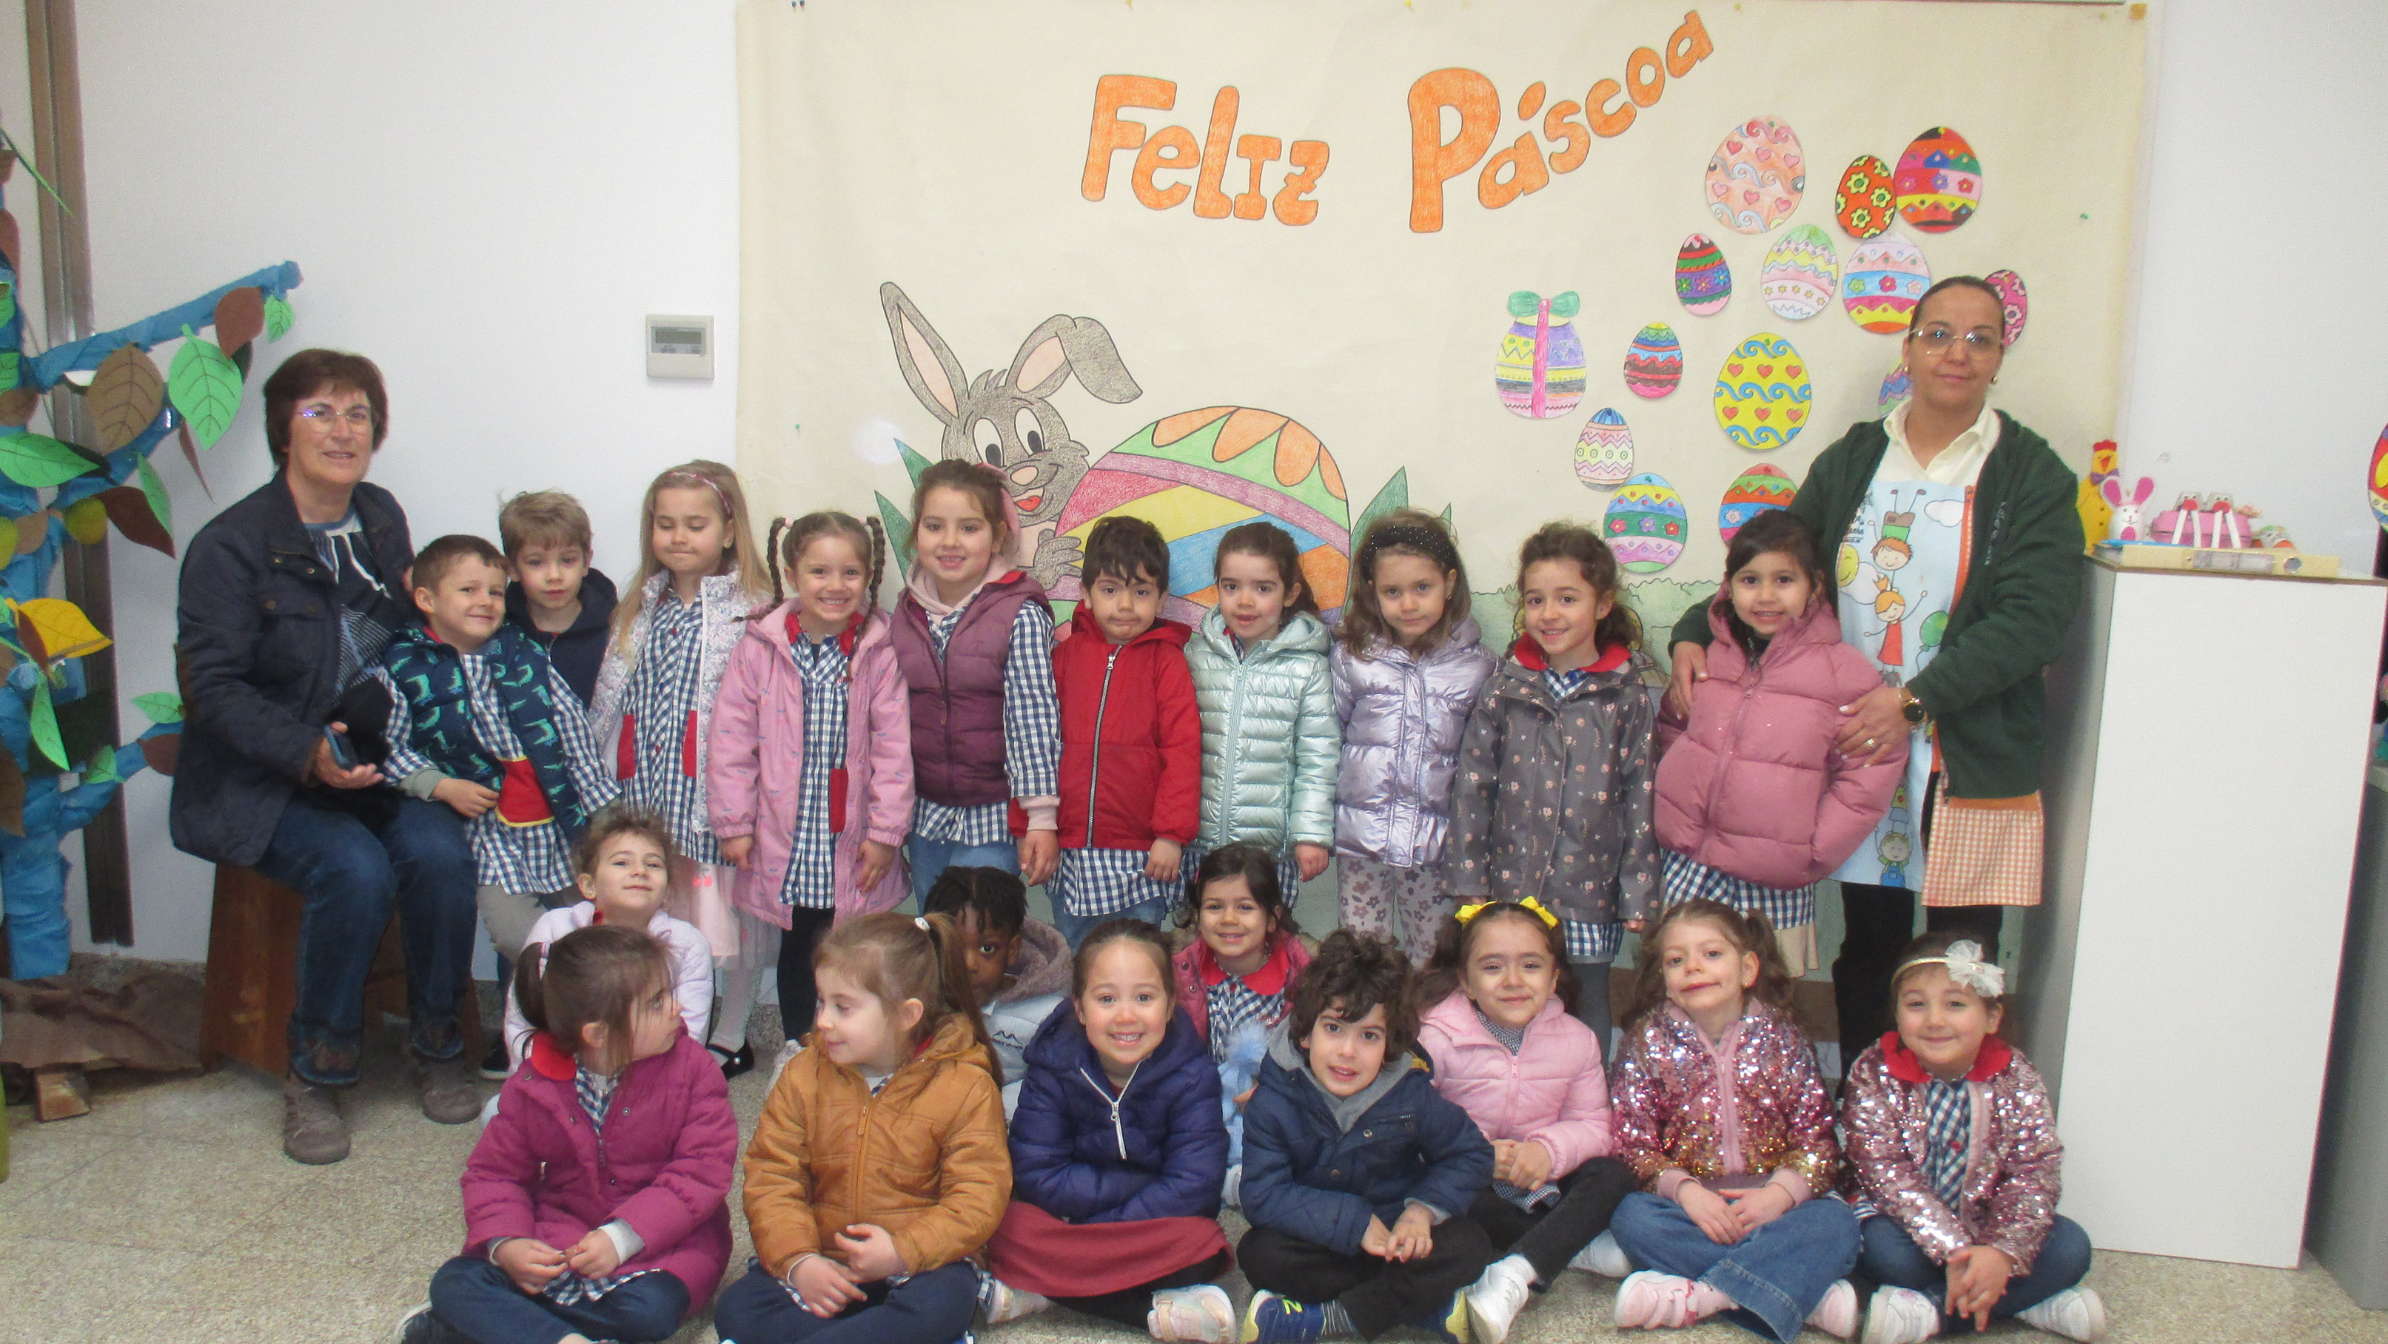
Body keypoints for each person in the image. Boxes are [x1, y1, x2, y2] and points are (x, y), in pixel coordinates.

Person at [1667, 276, 2085, 1071]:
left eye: (1980, 338)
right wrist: (1695, 629)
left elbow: (2034, 619)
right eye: (1939, 334)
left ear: (2001, 357)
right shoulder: (1860, 455)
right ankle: (1867, 1105)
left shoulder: (2031, 474)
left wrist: (1917, 701)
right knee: (1871, 941)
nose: (1957, 352)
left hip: (1968, 751)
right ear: (1909, 347)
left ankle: (1957, 1109)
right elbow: (1778, 562)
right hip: (1857, 742)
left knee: (1964, 952)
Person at [173, 348, 479, 1164]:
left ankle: (439, 1046)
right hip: (266, 779)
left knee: (441, 855)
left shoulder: (379, 515)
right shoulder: (230, 546)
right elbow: (212, 689)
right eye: (320, 413)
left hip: (375, 765)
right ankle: (317, 1073)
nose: (343, 431)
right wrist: (308, 752)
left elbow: (409, 635)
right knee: (355, 869)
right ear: (284, 430)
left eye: (358, 415)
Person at [397, 924, 738, 1344]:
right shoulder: (534, 1083)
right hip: (559, 1239)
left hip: (664, 1248)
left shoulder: (694, 1071)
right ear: (597, 1034)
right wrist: (508, 1242)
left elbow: (700, 1174)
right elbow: (495, 1174)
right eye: (656, 1002)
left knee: (650, 1313)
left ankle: (506, 1326)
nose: (677, 1008)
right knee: (453, 1280)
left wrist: (621, 1238)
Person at [373, 534, 621, 1083]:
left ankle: (587, 1040)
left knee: (595, 925)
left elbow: (573, 736)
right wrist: (440, 786)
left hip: (558, 826)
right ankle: (549, 1032)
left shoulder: (522, 653)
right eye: (468, 590)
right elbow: (386, 744)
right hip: (488, 835)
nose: (486, 601)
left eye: (493, 590)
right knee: (521, 938)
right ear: (426, 599)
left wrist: (605, 817)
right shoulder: (403, 665)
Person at [713, 911, 1010, 1344]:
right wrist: (799, 1262)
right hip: (823, 1261)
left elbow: (978, 1197)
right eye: (821, 1001)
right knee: (737, 1309)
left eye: (843, 1007)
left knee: (943, 1302)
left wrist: (902, 1250)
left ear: (907, 1015)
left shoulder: (965, 1085)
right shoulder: (802, 1075)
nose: (823, 1021)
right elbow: (772, 1177)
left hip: (918, 1264)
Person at [1653, 510, 1905, 978]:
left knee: (1766, 997)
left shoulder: (1845, 672)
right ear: (1728, 586)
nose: (1766, 596)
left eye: (1784, 580)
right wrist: (1675, 800)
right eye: (1750, 580)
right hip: (1689, 864)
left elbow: (1868, 770)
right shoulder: (1709, 657)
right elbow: (1673, 722)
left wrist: (1815, 848)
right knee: (1685, 987)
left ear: (1815, 586)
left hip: (1774, 877)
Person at [709, 511, 912, 1079]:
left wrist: (885, 833)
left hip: (851, 836)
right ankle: (802, 1049)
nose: (835, 585)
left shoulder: (878, 650)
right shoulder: (759, 648)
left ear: (869, 576)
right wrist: (734, 824)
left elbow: (894, 749)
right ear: (792, 573)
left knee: (851, 949)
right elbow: (730, 741)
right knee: (799, 947)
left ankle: (857, 1050)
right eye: (819, 571)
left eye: (850, 572)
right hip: (785, 835)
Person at [589, 460, 773, 1075]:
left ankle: (732, 1031)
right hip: (648, 795)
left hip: (716, 802)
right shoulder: (639, 606)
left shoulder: (754, 612)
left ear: (728, 530)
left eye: (696, 524)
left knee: (732, 922)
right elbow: (610, 699)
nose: (678, 537)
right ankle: (656, 1025)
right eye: (665, 524)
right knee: (655, 919)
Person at [1445, 523, 1659, 1049]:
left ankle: (1587, 1092)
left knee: (1587, 1001)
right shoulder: (1506, 686)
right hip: (1511, 885)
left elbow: (1642, 797)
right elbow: (1473, 786)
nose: (1549, 614)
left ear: (1602, 604)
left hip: (1589, 888)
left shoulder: (1625, 694)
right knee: (1509, 999)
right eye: (1536, 599)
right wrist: (1470, 875)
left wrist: (1638, 893)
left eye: (1567, 598)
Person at [1606, 900, 1859, 1340]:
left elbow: (1818, 1140)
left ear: (1747, 969)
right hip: (1691, 1210)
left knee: (1837, 1225)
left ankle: (1707, 1296)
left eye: (1711, 954)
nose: (1693, 968)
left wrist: (1779, 1195)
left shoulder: (1783, 1038)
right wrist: (1686, 1192)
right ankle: (1798, 1292)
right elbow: (1633, 1145)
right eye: (1676, 960)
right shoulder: (1646, 1042)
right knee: (1631, 1218)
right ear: (1664, 979)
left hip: (1774, 1208)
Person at [1841, 934, 2105, 1344]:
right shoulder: (1873, 1071)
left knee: (2071, 1247)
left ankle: (1931, 1313)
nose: (1934, 1020)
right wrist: (1954, 1250)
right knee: (1881, 1253)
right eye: (1916, 1005)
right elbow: (1884, 1173)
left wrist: (2000, 1252)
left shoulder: (2016, 1075)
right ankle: (2026, 1301)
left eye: (1955, 1005)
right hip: (1903, 1223)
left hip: (1988, 1225)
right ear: (1896, 1014)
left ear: (1991, 1017)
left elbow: (2034, 1172)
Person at [980, 920, 1235, 1342]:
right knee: (1003, 1225)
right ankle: (1146, 1312)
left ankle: (1044, 1289)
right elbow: (1037, 1172)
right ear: (1080, 1008)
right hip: (1074, 1219)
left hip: (1140, 1226)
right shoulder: (1053, 1062)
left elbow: (1195, 1184)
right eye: (1106, 999)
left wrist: (1106, 1225)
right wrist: (1117, 1203)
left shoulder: (1192, 1074)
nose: (1126, 1015)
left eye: (1144, 997)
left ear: (1170, 1005)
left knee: (1203, 1244)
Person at [1238, 929, 1494, 1344]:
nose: (1348, 1052)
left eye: (1369, 1036)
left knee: (1471, 1243)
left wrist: (1421, 1213)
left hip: (1398, 1236)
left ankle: (1330, 1318)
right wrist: (1350, 1224)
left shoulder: (1410, 1093)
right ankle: (1421, 1305)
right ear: (1305, 1033)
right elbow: (1262, 1194)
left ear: (1390, 1044)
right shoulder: (1273, 1099)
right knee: (1259, 1253)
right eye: (1334, 1028)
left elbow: (1470, 1154)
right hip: (1322, 1235)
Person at [1414, 899, 1636, 1344]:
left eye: (1531, 966)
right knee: (1441, 1198)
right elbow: (1412, 1121)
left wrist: (1547, 1150)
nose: (1513, 981)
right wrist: (1474, 1154)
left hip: (1543, 1179)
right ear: (1465, 981)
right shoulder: (1434, 1038)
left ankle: (1517, 1271)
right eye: (1493, 967)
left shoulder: (1577, 1040)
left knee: (1614, 1175)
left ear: (1553, 979)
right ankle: (1567, 1246)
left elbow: (1594, 1124)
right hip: (1472, 1182)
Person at [891, 459, 1062, 899]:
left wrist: (1040, 819)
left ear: (997, 537)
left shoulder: (1019, 612)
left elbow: (1033, 720)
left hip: (993, 815)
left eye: (969, 528)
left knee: (978, 929)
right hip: (925, 814)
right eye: (934, 526)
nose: (950, 541)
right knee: (933, 927)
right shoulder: (905, 613)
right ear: (916, 533)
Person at [1331, 510, 1495, 966]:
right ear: (1372, 592)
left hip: (1436, 846)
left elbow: (1483, 763)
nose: (1408, 604)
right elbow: (1332, 738)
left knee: (1435, 959)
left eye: (1422, 588)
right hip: (1362, 841)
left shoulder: (1480, 667)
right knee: (1361, 957)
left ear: (1449, 583)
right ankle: (1370, 1016)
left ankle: (1430, 1017)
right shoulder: (1352, 658)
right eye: (1393, 591)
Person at [1045, 516, 1201, 946]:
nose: (1126, 605)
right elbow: (1037, 746)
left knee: (1140, 955)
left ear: (1162, 597)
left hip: (1143, 852)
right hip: (1071, 846)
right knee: (1079, 956)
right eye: (1110, 590)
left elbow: (1182, 752)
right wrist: (1033, 827)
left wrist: (1171, 835)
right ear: (1086, 593)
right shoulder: (1065, 657)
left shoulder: (1167, 662)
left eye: (1141, 592)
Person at [1185, 520, 1338, 900]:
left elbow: (1318, 759)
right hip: (1199, 847)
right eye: (1231, 586)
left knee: (1265, 934)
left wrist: (1311, 834)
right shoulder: (1196, 655)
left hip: (1269, 853)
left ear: (1290, 593)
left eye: (1263, 588)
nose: (1245, 600)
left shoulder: (1308, 667)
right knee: (1202, 932)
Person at [502, 809, 711, 1069]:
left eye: (653, 864)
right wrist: (536, 1075)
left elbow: (690, 1033)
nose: (640, 871)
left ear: (667, 892)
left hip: (654, 1077)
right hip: (559, 1072)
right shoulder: (557, 927)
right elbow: (523, 1015)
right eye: (621, 862)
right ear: (589, 885)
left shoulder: (687, 942)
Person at [1171, 844, 1314, 1204]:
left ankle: (1251, 1180)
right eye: (1214, 907)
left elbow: (1314, 1053)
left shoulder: (1300, 977)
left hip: (1274, 1095)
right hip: (1202, 1095)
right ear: (1197, 914)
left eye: (1245, 907)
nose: (1229, 919)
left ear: (1272, 918)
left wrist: (1275, 1090)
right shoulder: (1182, 970)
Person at [920, 865, 1070, 1117]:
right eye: (955, 947)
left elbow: (1050, 1090)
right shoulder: (917, 1004)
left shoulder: (1046, 1014)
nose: (969, 964)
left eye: (987, 949)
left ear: (1012, 951)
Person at [498, 490, 617, 707]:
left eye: (567, 560)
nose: (554, 576)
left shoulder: (617, 633)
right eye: (536, 562)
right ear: (512, 568)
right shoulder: (497, 637)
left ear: (586, 562)